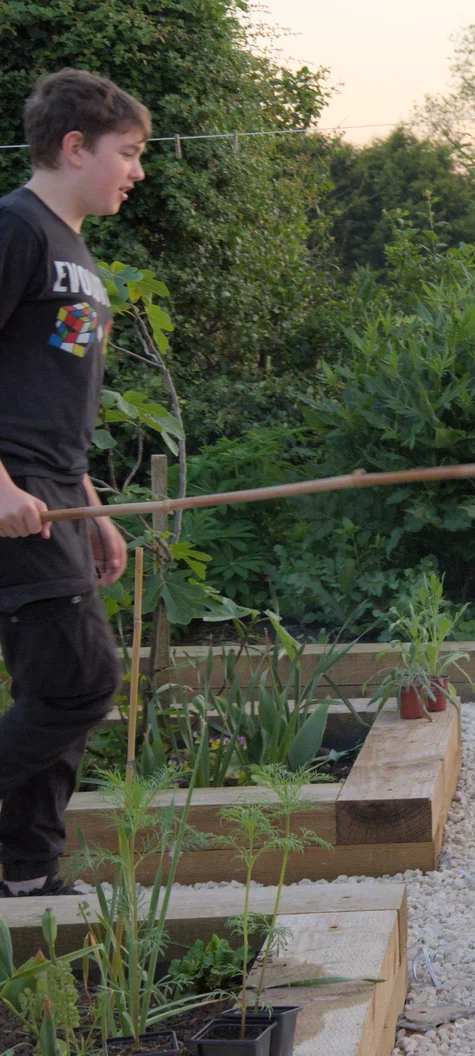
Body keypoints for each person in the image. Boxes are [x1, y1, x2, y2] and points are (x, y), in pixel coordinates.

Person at [0, 68, 148, 896]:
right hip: (12, 496)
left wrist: (92, 510)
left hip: (54, 491)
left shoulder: (75, 250)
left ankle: (27, 871)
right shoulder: (15, 229)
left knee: (55, 684)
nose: (135, 171)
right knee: (80, 681)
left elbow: (50, 400)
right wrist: (1, 487)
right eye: (126, 153)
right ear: (73, 145)